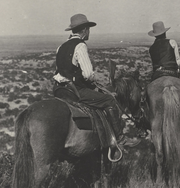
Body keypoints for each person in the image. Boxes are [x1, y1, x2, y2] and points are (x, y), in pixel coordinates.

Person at [53, 13, 140, 148]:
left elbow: (59, 70)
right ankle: (120, 138)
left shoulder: (61, 47)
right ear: (85, 30)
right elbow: (87, 74)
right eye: (88, 29)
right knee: (109, 100)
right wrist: (93, 80)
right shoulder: (80, 46)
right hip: (76, 90)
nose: (89, 32)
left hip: (59, 90)